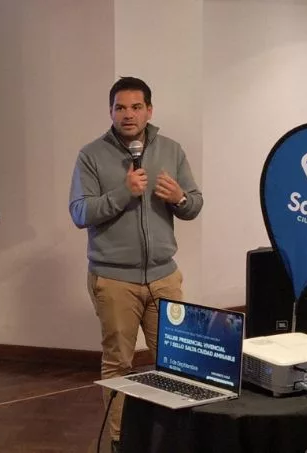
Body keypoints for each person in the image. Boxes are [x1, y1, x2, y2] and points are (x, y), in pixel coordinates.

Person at [68, 76, 203, 453]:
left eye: (136, 107)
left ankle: (172, 439)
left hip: (164, 277)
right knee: (118, 366)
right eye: (120, 108)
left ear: (149, 111)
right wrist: (122, 193)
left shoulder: (171, 150)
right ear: (110, 112)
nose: (128, 114)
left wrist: (179, 198)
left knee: (174, 363)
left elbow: (194, 204)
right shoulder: (91, 155)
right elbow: (80, 212)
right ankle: (120, 442)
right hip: (114, 281)